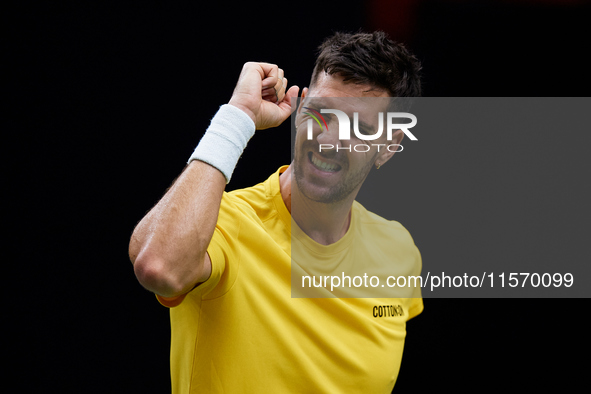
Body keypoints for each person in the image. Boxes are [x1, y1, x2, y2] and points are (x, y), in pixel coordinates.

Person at [129, 31, 423, 393]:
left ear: (389, 147)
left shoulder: (399, 252)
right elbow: (158, 267)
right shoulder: (223, 221)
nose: (328, 140)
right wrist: (237, 117)